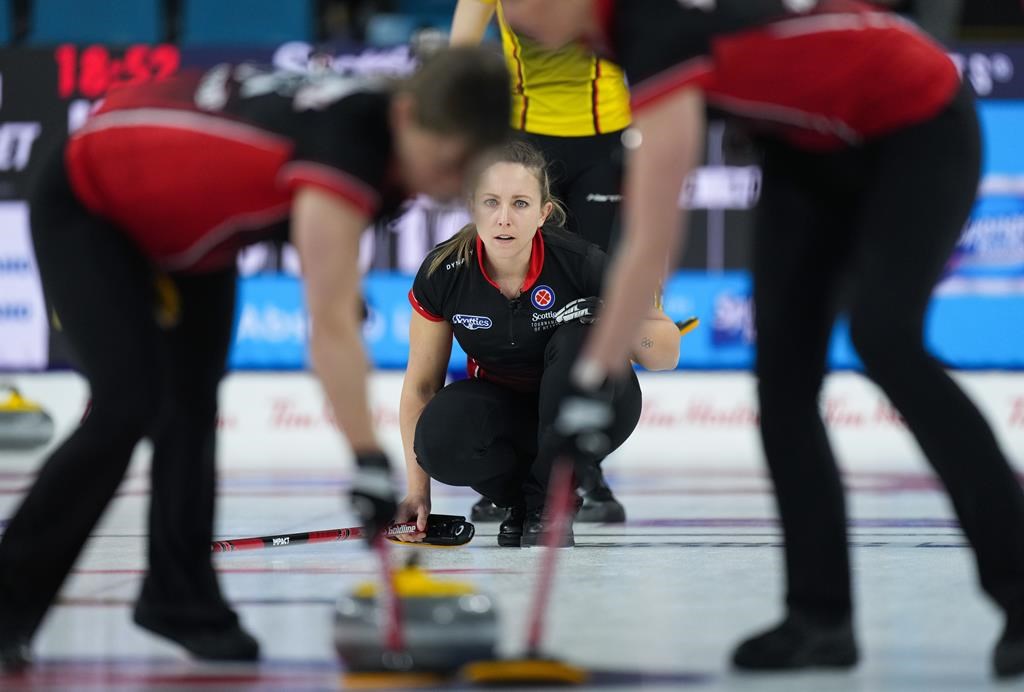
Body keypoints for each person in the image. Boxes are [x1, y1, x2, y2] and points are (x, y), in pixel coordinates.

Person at [500, 0, 1024, 678]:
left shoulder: (652, 30)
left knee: (886, 339)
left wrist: (591, 383)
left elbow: (652, 232)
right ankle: (819, 618)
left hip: (914, 122)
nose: (509, 10)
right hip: (809, 147)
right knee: (782, 379)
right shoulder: (613, 39)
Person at [0, 47, 510, 671]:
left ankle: (179, 598)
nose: (451, 181)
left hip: (186, 224)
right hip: (92, 202)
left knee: (191, 404)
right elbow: (326, 328)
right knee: (128, 402)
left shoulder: (392, 141)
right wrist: (368, 460)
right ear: (405, 116)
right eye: (448, 160)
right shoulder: (347, 146)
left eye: (467, 168)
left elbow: (338, 297)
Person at [395, 141, 679, 547]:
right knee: (438, 438)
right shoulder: (444, 272)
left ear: (544, 212)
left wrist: (616, 320)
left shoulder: (582, 262)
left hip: (592, 409)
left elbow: (666, 354)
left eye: (521, 204)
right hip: (507, 417)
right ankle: (528, 503)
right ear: (472, 206)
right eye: (491, 203)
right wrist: (416, 494)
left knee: (583, 336)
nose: (504, 219)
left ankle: (552, 501)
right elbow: (421, 387)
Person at [450, 0, 635, 524]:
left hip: (607, 144)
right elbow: (460, 60)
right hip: (524, 141)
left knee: (595, 303)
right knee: (515, 296)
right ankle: (518, 467)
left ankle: (587, 465)